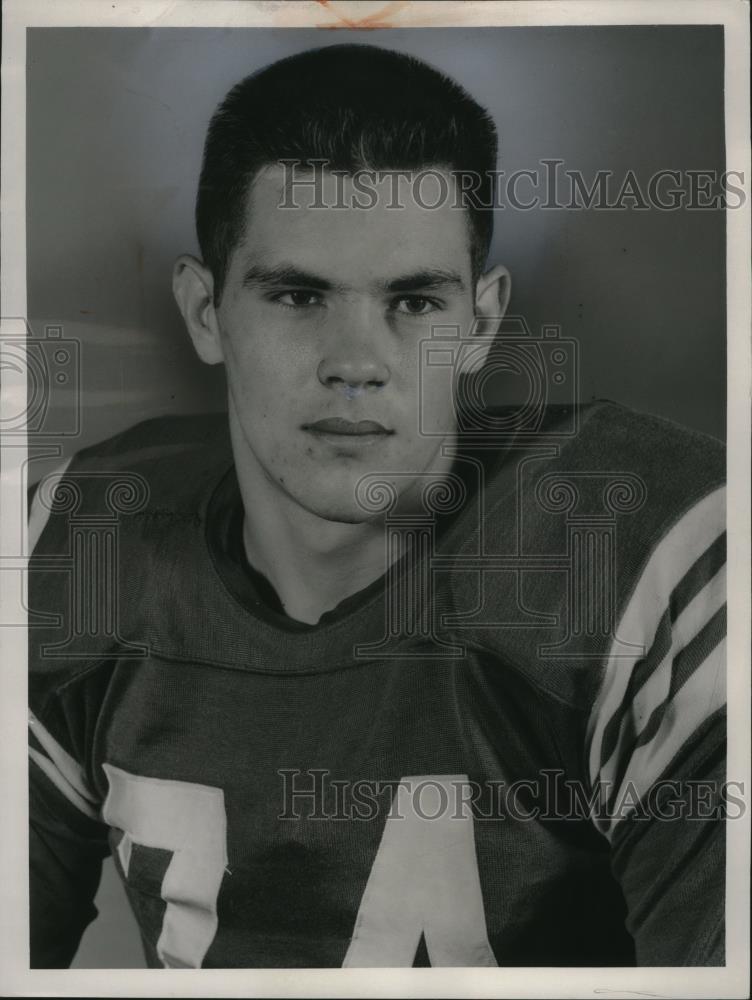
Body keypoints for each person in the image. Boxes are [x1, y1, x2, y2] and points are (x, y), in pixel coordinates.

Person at [28, 43, 726, 969]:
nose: (355, 362)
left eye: (413, 302)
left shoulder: (630, 551)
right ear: (204, 311)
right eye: (297, 294)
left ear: (480, 323)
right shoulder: (77, 544)